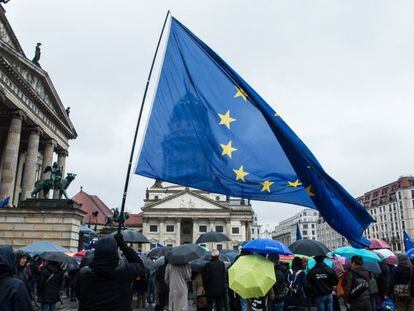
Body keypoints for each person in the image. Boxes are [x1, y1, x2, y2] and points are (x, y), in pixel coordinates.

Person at [76, 234, 146, 311]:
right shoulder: (125, 270)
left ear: (96, 252)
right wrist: (123, 246)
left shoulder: (84, 274)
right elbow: (140, 266)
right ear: (115, 252)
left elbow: (78, 295)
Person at [0, 245, 33, 311]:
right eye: (23, 258)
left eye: (26, 258)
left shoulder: (24, 270)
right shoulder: (12, 274)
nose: (25, 260)